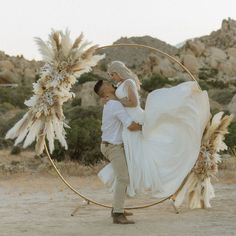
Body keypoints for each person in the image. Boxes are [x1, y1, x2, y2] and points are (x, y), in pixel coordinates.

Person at [98, 61, 211, 199]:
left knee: (143, 150)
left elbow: (133, 102)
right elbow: (106, 95)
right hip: (127, 123)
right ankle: (129, 185)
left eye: (112, 74)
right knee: (135, 153)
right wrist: (106, 99)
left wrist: (116, 99)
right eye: (110, 75)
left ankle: (149, 179)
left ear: (118, 72)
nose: (112, 77)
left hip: (136, 118)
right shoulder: (119, 85)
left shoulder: (128, 83)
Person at [94, 80, 141, 224]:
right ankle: (118, 214)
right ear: (106, 90)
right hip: (112, 147)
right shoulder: (114, 105)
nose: (112, 83)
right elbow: (131, 126)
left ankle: (117, 207)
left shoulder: (111, 103)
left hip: (110, 145)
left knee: (123, 176)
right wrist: (147, 128)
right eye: (108, 83)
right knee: (123, 178)